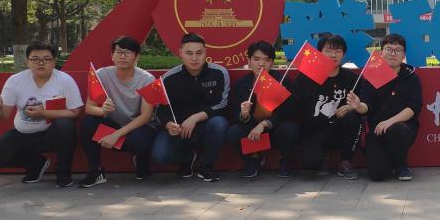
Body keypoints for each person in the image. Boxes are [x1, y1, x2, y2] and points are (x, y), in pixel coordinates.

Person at [0, 41, 83, 187]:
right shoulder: (15, 81)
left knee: (66, 125)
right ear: (27, 62)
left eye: (46, 59)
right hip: (23, 133)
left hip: (52, 134)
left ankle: (64, 174)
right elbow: (1, 116)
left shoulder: (65, 80)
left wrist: (43, 113)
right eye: (35, 59)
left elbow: (75, 112)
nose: (41, 63)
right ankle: (36, 164)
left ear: (54, 62)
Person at [79, 36, 158, 187]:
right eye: (118, 52)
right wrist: (101, 110)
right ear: (112, 56)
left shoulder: (147, 79)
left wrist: (116, 135)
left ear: (137, 57)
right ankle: (95, 170)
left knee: (140, 141)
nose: (122, 56)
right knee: (89, 122)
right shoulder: (102, 75)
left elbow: (146, 116)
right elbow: (89, 107)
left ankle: (141, 159)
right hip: (113, 124)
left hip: (138, 126)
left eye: (127, 52)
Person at [152, 32, 231, 182]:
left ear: (206, 52)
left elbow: (223, 104)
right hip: (179, 129)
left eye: (199, 53)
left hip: (206, 125)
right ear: (180, 53)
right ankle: (187, 158)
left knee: (219, 123)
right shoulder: (169, 78)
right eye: (189, 53)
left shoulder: (219, 73)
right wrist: (168, 124)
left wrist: (195, 118)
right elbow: (160, 109)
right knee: (160, 155)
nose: (194, 58)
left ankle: (205, 166)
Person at [283, 34, 363, 179]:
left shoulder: (352, 79)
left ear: (344, 54)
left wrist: (352, 107)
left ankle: (346, 161)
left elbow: (364, 104)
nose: (333, 55)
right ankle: (321, 158)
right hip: (314, 130)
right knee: (310, 164)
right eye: (328, 51)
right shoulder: (307, 77)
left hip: (340, 129)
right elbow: (293, 105)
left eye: (338, 51)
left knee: (354, 116)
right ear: (319, 53)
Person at [346, 33, 422, 181]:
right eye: (389, 49)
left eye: (398, 50)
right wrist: (358, 106)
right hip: (377, 130)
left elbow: (413, 108)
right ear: (381, 52)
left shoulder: (411, 77)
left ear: (403, 55)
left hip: (403, 129)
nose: (393, 53)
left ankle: (401, 165)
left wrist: (390, 122)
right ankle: (386, 159)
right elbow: (366, 106)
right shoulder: (372, 75)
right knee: (378, 175)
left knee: (396, 129)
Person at [226, 41, 299, 179]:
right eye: (256, 59)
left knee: (290, 128)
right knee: (233, 132)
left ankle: (284, 160)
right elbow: (235, 113)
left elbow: (288, 111)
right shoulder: (242, 84)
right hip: (252, 132)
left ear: (272, 63)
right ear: (249, 61)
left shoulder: (282, 81)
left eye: (267, 60)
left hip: (275, 129)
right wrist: (244, 115)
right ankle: (253, 159)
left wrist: (265, 124)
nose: (261, 64)